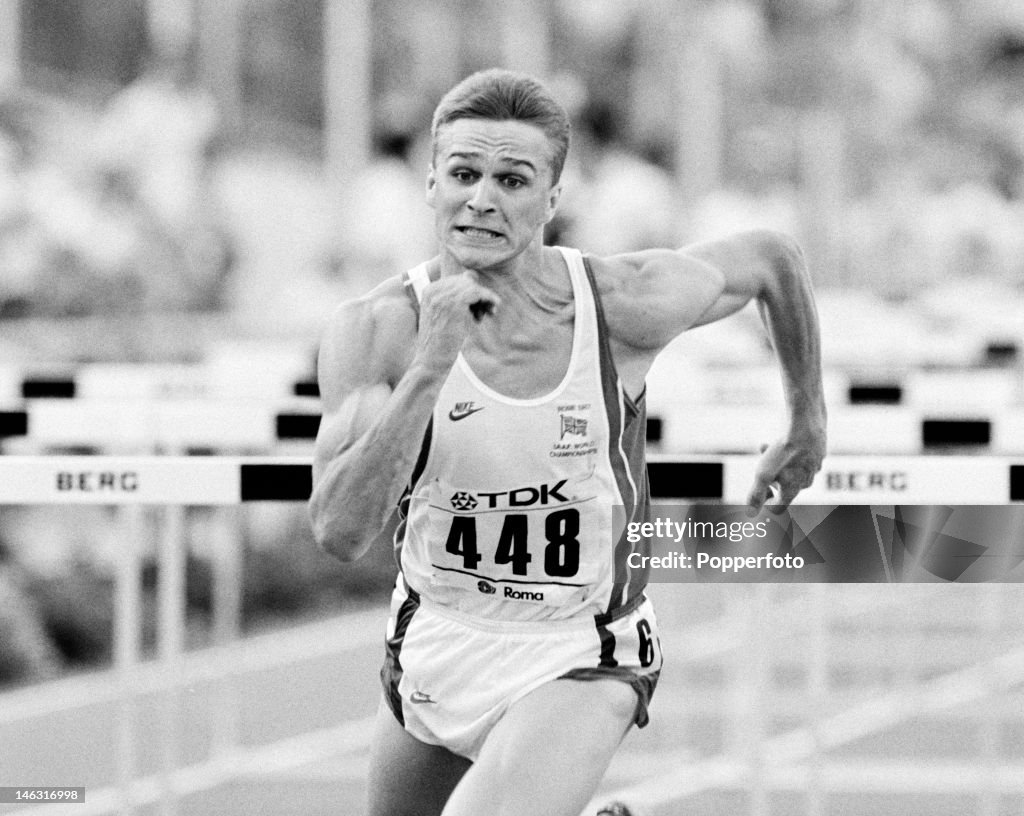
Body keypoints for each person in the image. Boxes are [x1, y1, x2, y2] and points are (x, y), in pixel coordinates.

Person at [309, 68, 827, 816]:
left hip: (581, 647)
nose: (483, 198)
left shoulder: (620, 304)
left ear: (553, 199)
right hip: (438, 636)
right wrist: (429, 369)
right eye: (463, 174)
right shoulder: (377, 331)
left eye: (513, 180)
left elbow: (774, 259)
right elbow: (338, 531)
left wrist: (806, 421)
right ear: (430, 185)